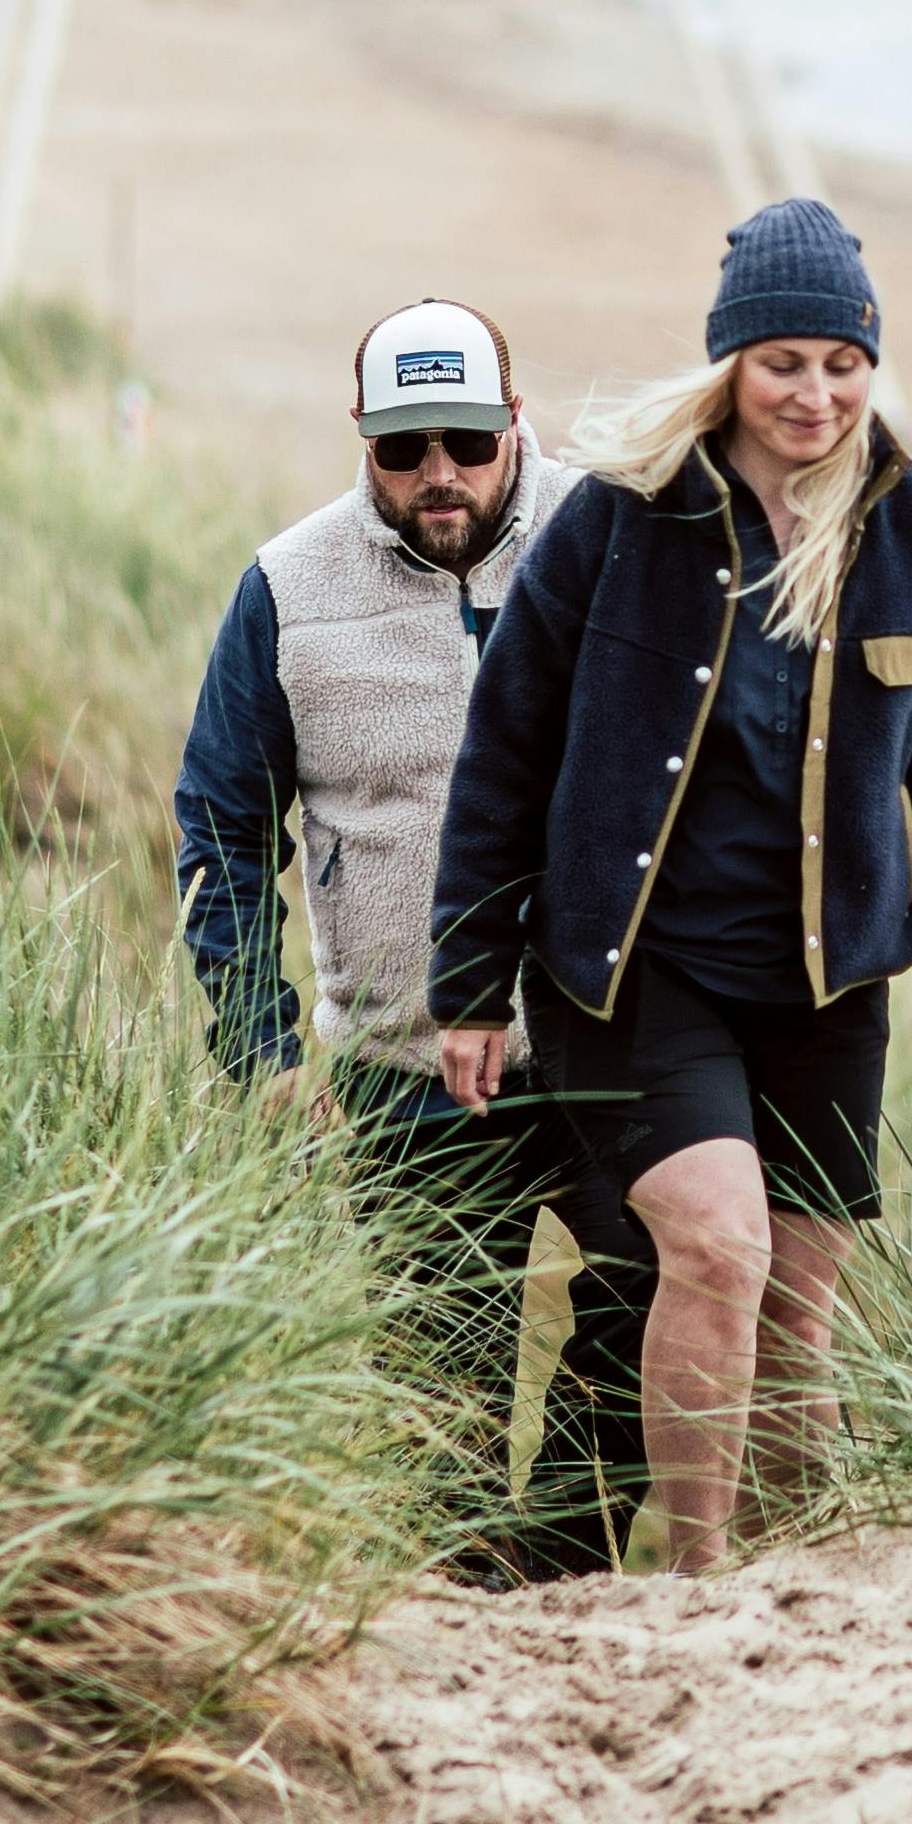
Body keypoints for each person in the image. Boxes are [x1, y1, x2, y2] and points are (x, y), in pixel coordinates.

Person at [429, 199, 912, 1575]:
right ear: (729, 368)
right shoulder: (620, 520)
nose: (815, 394)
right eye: (783, 362)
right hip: (636, 969)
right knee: (716, 1247)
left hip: (827, 987)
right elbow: (507, 749)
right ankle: (699, 1593)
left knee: (799, 1312)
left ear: (872, 366)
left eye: (842, 362)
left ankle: (799, 1583)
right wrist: (469, 979)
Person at [174, 294, 644, 1578]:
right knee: (436, 1377)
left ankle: (560, 1582)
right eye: (403, 446)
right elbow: (222, 824)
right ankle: (460, 1612)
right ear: (360, 439)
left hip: (615, 1034)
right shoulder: (285, 589)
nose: (440, 473)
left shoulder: (615, 542)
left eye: (466, 440)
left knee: (643, 1310)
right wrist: (262, 1043)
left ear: (514, 422)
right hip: (405, 1065)